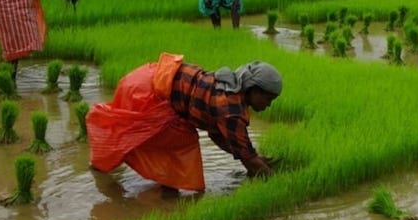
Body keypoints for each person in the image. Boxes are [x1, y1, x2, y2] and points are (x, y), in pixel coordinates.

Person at [87, 53, 281, 192]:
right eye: (268, 99)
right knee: (177, 142)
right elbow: (245, 155)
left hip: (148, 77)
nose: (269, 105)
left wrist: (252, 158)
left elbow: (219, 136)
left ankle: (102, 169)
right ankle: (161, 193)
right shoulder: (230, 110)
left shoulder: (230, 85)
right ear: (253, 89)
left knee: (127, 131)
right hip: (148, 91)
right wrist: (269, 177)